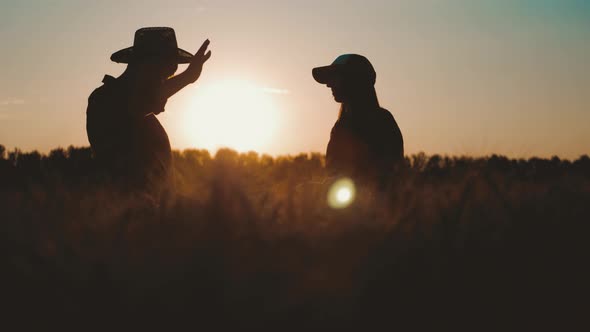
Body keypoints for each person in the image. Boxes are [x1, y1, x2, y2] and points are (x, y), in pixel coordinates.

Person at [86, 27, 211, 196]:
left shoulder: (142, 114)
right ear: (146, 65)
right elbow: (137, 105)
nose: (163, 84)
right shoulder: (104, 100)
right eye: (161, 76)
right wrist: (187, 77)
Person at [313, 54, 404, 185]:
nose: (328, 84)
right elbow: (333, 172)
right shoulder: (340, 127)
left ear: (353, 79)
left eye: (335, 77)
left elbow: (389, 174)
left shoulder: (382, 122)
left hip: (376, 203)